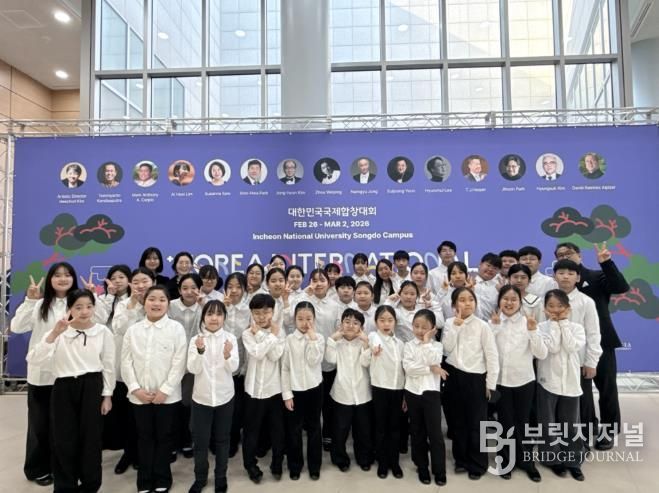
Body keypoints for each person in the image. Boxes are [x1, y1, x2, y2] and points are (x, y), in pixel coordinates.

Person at [27, 289, 115, 493]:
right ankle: (65, 485)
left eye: (89, 306)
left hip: (92, 386)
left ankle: (90, 484)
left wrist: (107, 395)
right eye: (78, 307)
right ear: (69, 309)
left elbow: (109, 365)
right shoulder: (59, 331)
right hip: (63, 387)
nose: (84, 311)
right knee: (63, 438)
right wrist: (54, 334)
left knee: (91, 438)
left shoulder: (103, 332)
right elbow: (33, 359)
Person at [10, 262, 81, 487]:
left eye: (67, 275)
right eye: (57, 275)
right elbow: (16, 327)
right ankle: (37, 468)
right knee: (39, 426)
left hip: (69, 373)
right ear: (50, 280)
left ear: (73, 279)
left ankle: (62, 467)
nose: (63, 278)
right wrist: (30, 300)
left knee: (65, 426)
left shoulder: (79, 304)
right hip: (42, 375)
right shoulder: (40, 304)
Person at [555, 241, 627, 451]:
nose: (565, 257)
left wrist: (607, 263)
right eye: (560, 255)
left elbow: (621, 287)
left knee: (607, 388)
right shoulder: (557, 285)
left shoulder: (596, 276)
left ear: (580, 255)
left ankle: (609, 431)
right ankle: (588, 427)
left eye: (569, 253)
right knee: (582, 393)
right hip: (573, 348)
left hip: (601, 342)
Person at [121, 285, 187, 493]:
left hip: (167, 397)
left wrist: (165, 390)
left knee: (164, 438)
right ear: (144, 302)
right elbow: (125, 362)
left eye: (161, 299)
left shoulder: (176, 329)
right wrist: (135, 389)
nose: (156, 303)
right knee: (144, 437)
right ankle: (144, 479)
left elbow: (180, 362)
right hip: (139, 396)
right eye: (152, 299)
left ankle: (162, 477)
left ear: (168, 304)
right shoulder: (133, 330)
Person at [489, 286, 546, 482]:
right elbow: (487, 351)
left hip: (524, 380)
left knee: (523, 422)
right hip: (500, 382)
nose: (509, 302)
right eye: (505, 298)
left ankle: (527, 462)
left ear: (520, 303)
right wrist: (495, 328)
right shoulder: (492, 323)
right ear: (499, 301)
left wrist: (533, 331)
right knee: (505, 423)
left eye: (514, 299)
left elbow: (541, 354)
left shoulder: (528, 323)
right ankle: (505, 461)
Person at [442, 287, 499, 480]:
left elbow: (492, 356)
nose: (467, 303)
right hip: (454, 376)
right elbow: (446, 349)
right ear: (454, 305)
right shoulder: (449, 323)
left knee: (476, 423)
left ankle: (478, 463)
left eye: (471, 299)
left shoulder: (483, 326)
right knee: (457, 422)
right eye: (462, 300)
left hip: (476, 378)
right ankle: (461, 460)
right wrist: (456, 327)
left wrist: (490, 384)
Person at [187, 300, 239, 493]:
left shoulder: (230, 339)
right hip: (202, 399)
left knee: (222, 440)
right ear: (203, 318)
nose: (214, 318)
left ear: (224, 317)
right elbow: (192, 368)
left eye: (218, 314)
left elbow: (234, 368)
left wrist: (227, 355)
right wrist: (200, 351)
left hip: (225, 397)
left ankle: (220, 477)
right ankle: (200, 478)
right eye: (209, 314)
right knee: (200, 442)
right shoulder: (196, 340)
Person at [535, 290, 586, 481]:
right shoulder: (541, 327)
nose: (555, 310)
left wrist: (563, 323)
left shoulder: (576, 327)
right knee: (548, 424)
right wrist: (554, 325)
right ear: (545, 309)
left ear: (568, 308)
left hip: (570, 381)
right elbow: (553, 347)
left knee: (571, 424)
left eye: (560, 306)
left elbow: (571, 347)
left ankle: (573, 461)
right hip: (548, 380)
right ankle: (552, 460)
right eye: (551, 306)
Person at [110, 267, 155, 475]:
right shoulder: (123, 304)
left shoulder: (159, 302)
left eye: (144, 281)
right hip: (126, 370)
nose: (140, 285)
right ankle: (129, 453)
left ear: (152, 282)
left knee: (148, 418)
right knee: (127, 416)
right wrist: (133, 305)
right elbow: (119, 328)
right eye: (136, 282)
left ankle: (146, 455)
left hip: (152, 371)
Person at [292, 269, 343, 452]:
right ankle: (309, 430)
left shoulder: (335, 305)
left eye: (322, 280)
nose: (318, 283)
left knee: (328, 402)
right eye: (314, 280)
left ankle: (327, 433)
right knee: (308, 403)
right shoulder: (303, 301)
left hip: (327, 361)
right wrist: (305, 294)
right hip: (306, 360)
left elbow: (339, 329)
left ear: (329, 283)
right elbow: (291, 319)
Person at [241, 293, 286, 483]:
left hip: (275, 389)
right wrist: (268, 337)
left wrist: (263, 335)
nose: (261, 317)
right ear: (251, 313)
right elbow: (257, 353)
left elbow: (275, 356)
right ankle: (250, 465)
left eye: (266, 312)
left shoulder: (280, 332)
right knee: (251, 431)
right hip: (253, 390)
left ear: (273, 312)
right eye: (257, 313)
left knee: (277, 430)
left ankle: (277, 463)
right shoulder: (246, 333)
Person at [402, 309, 447, 486]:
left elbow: (434, 359)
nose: (420, 330)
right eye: (417, 326)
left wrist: (427, 342)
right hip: (412, 392)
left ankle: (439, 470)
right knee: (417, 431)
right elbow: (409, 369)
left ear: (433, 328)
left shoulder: (437, 346)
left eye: (424, 327)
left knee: (435, 433)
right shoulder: (408, 346)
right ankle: (422, 467)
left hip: (431, 393)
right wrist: (430, 369)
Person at [281, 301, 325, 481]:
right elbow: (285, 368)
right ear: (294, 320)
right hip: (295, 390)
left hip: (315, 388)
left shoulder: (319, 338)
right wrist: (287, 394)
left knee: (314, 427)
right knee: (294, 429)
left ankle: (315, 466)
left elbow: (314, 361)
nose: (305, 323)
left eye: (309, 318)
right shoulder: (289, 340)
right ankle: (295, 465)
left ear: (314, 319)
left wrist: (312, 339)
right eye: (300, 319)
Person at [326, 309, 373, 472]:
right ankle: (340, 458)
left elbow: (366, 363)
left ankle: (364, 458)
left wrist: (366, 344)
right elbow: (330, 360)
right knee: (340, 429)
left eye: (355, 323)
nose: (351, 326)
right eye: (347, 322)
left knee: (363, 429)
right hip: (342, 392)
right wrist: (333, 338)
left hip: (362, 392)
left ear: (361, 327)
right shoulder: (337, 343)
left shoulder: (364, 343)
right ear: (341, 325)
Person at [168, 273, 204, 460]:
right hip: (171, 362)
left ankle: (187, 440)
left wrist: (203, 306)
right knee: (171, 403)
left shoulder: (205, 306)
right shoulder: (170, 306)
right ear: (179, 290)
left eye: (193, 288)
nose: (189, 292)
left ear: (200, 289)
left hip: (192, 363)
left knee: (188, 404)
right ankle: (172, 443)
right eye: (185, 288)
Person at [368, 305, 405, 480]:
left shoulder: (401, 344)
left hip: (397, 389)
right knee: (381, 428)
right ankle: (382, 462)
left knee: (395, 428)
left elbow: (404, 369)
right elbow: (373, 342)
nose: (386, 324)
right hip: (380, 388)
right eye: (382, 320)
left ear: (395, 322)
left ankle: (394, 462)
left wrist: (405, 394)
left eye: (390, 320)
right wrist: (374, 350)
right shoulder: (373, 337)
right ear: (376, 322)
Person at [221, 273, 252, 457]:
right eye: (230, 286)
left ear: (244, 289)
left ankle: (235, 439)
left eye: (238, 287)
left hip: (242, 368)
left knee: (238, 409)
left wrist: (245, 367)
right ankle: (224, 440)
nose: (234, 290)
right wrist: (222, 309)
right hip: (221, 367)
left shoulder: (249, 310)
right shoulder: (218, 308)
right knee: (223, 408)